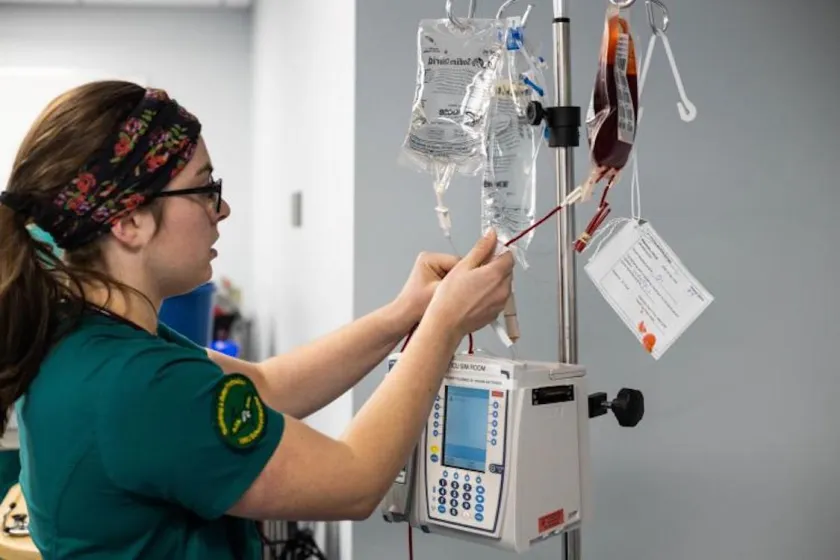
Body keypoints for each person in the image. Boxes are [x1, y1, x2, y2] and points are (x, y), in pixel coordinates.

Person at [0, 80, 514, 559]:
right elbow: (355, 480)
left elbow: (267, 386)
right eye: (203, 189)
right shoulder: (136, 385)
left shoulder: (92, 339)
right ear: (129, 220)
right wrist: (443, 326)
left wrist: (404, 314)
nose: (220, 210)